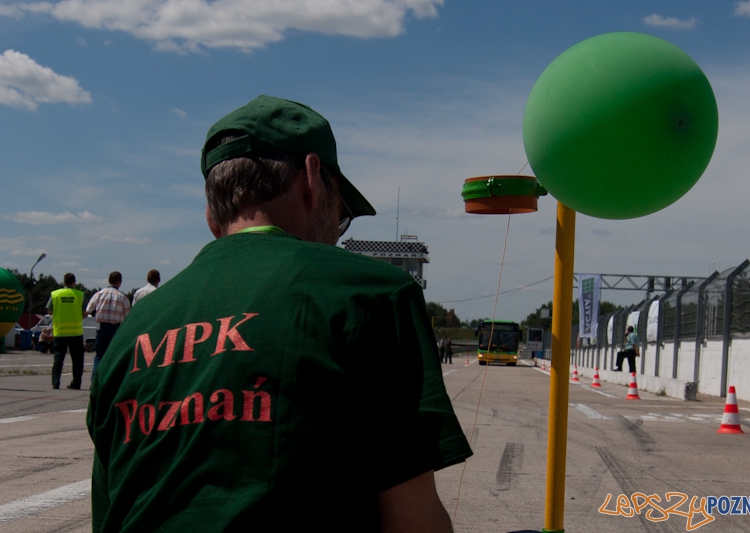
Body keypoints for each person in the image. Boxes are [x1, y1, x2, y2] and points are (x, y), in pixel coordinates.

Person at [87, 95, 472, 533]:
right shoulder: (373, 295)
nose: (336, 232)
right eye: (341, 213)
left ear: (212, 213)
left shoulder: (133, 328)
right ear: (312, 177)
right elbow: (414, 522)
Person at [86, 271, 130, 380]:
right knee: (113, 356)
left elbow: (89, 310)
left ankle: (94, 381)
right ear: (119, 282)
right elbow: (128, 315)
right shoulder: (122, 297)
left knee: (99, 356)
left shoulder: (99, 294)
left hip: (101, 327)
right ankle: (110, 381)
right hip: (115, 328)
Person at [46, 273, 86, 390]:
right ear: (74, 282)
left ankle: (55, 383)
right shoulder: (80, 295)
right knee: (77, 360)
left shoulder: (55, 294)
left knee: (58, 358)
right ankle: (76, 383)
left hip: (60, 332)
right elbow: (84, 314)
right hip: (76, 332)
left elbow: (49, 311)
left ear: (64, 282)